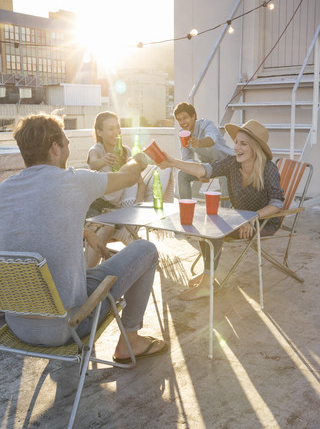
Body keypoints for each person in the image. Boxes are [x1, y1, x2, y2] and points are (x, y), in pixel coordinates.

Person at [0, 114, 167, 363]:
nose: (69, 145)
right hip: (67, 326)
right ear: (55, 147)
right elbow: (129, 177)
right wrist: (139, 158)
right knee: (146, 249)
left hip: (16, 325)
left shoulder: (5, 191)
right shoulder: (75, 181)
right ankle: (129, 341)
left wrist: (86, 231)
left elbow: (34, 225)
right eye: (66, 141)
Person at [158, 119, 284, 301]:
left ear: (255, 147)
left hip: (263, 222)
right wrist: (173, 162)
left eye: (243, 144)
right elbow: (204, 170)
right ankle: (208, 277)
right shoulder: (233, 163)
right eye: (236, 143)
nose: (236, 148)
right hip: (241, 219)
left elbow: (277, 203)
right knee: (205, 222)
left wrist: (251, 218)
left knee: (215, 229)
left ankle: (206, 285)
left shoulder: (268, 168)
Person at [86, 111, 146, 267]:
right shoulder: (97, 150)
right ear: (99, 132)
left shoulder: (125, 151)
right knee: (103, 228)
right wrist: (103, 160)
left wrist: (136, 210)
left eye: (118, 127)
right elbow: (93, 163)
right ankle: (87, 276)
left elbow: (140, 182)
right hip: (95, 204)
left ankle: (88, 277)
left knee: (108, 227)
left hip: (115, 211)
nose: (116, 132)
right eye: (111, 129)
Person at [174, 102, 233, 201]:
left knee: (225, 175)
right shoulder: (183, 134)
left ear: (193, 116)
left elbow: (211, 139)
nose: (182, 122)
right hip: (208, 167)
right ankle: (185, 207)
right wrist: (197, 172)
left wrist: (199, 143)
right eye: (179, 120)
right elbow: (187, 158)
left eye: (185, 118)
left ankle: (226, 211)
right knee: (182, 174)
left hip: (226, 163)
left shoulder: (206, 124)